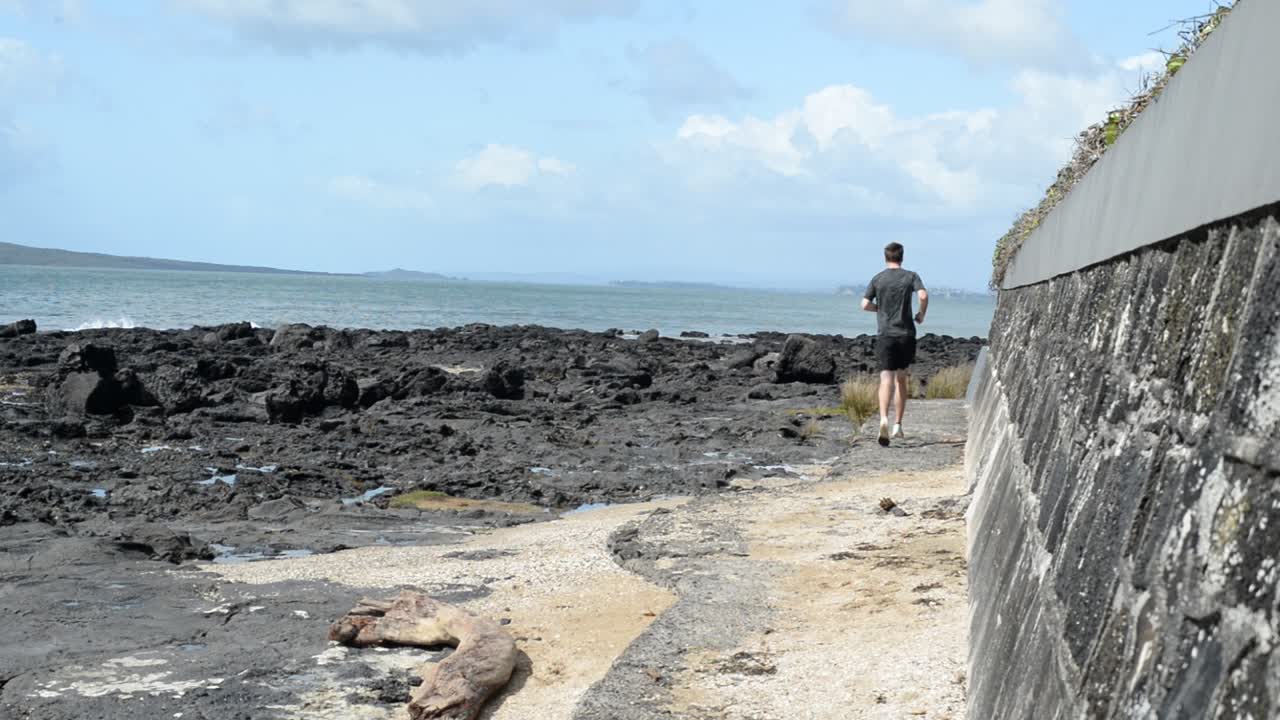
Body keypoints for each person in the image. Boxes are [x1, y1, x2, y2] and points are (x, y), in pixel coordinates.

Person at [860, 242, 928, 447]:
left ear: (885, 257)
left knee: (885, 379)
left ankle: (883, 419)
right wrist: (921, 314)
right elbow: (923, 295)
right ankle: (898, 424)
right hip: (906, 334)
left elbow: (864, 305)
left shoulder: (878, 279)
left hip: (886, 335)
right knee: (901, 379)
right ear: (902, 257)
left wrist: (879, 309)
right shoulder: (911, 276)